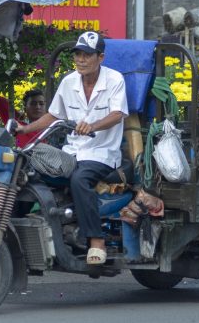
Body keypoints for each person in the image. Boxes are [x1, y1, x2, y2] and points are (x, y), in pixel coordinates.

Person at [15, 31, 128, 265]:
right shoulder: (69, 82)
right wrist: (24, 130)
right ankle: (18, 232)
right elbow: (53, 115)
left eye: (87, 54)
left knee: (79, 179)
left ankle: (96, 241)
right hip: (72, 151)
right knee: (25, 170)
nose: (80, 59)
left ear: (100, 57)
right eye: (77, 54)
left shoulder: (115, 79)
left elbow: (117, 115)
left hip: (102, 153)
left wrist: (93, 125)